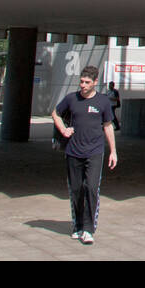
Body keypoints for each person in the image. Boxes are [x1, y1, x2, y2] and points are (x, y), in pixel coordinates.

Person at [51, 67, 118, 245]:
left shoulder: (103, 101)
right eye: (81, 81)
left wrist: (113, 151)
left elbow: (108, 126)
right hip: (73, 151)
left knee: (91, 188)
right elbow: (55, 113)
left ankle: (88, 229)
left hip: (95, 152)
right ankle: (78, 226)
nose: (83, 85)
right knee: (76, 190)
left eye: (87, 82)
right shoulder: (71, 98)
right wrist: (63, 130)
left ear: (95, 82)